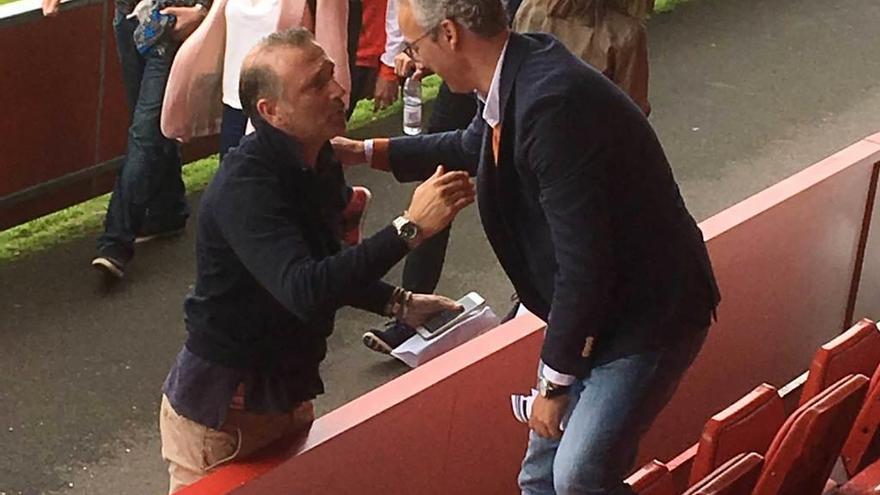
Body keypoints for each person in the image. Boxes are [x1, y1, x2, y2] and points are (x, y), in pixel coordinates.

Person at [332, 0, 721, 492]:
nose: (416, 61)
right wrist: (366, 152)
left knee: (578, 476)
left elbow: (585, 263)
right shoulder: (519, 68)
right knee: (539, 477)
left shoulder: (551, 104)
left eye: (415, 45)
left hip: (647, 315)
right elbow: (473, 144)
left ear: (449, 34)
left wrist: (556, 384)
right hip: (595, 312)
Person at [158, 28, 475, 493]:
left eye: (331, 74)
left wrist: (400, 303)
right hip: (225, 417)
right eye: (315, 85)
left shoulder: (318, 156)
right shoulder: (246, 187)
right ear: (271, 111)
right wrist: (409, 228)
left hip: (286, 397)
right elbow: (304, 289)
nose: (337, 91)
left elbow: (328, 263)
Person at [43, 0, 209, 279]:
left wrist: (201, 10)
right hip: (128, 19)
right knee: (152, 128)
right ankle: (166, 212)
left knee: (145, 134)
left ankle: (115, 243)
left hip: (169, 23)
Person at [360, 0, 479, 354]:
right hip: (464, 55)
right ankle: (411, 313)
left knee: (522, 180)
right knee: (438, 177)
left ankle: (535, 301)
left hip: (512, 54)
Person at [514, 0, 651, 115]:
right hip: (596, 138)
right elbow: (633, 113)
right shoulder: (624, 35)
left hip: (533, 134)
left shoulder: (529, 10)